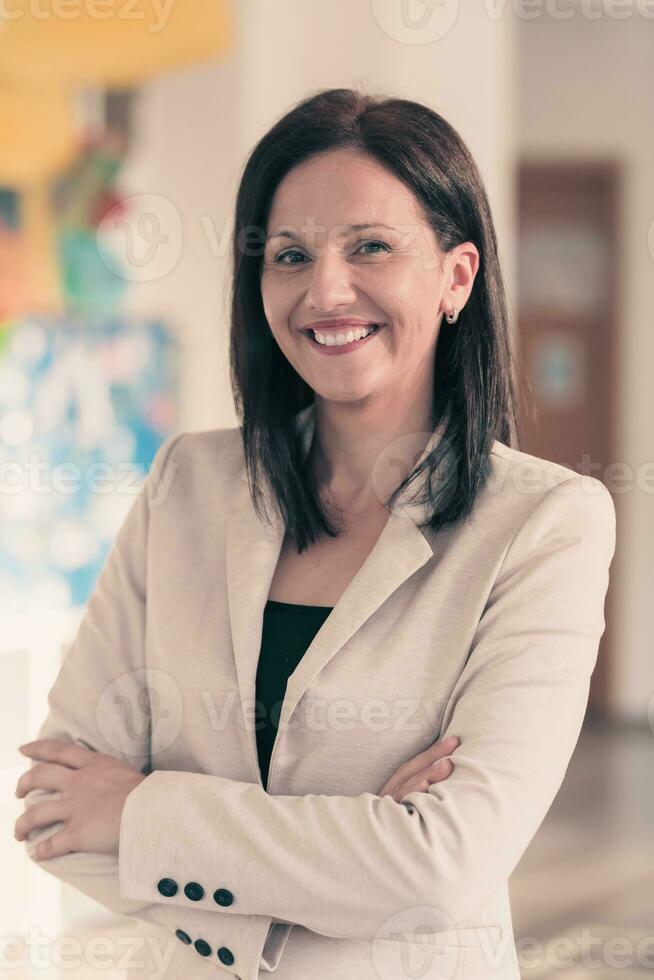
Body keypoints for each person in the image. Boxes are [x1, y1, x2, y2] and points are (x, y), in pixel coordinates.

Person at [14, 88, 616, 980]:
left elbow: (442, 867)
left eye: (370, 246)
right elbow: (59, 816)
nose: (325, 291)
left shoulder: (544, 523)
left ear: (456, 277)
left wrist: (141, 812)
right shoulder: (188, 483)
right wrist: (359, 851)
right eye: (289, 255)